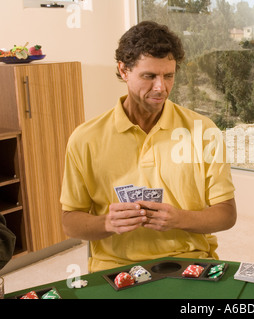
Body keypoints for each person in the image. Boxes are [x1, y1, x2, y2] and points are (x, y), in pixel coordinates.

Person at [60, 21, 236, 273]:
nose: (160, 87)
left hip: (189, 261)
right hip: (114, 267)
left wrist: (178, 218)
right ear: (123, 70)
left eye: (168, 76)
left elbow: (227, 215)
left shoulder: (204, 130)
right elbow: (71, 222)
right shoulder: (84, 138)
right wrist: (108, 223)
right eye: (149, 76)